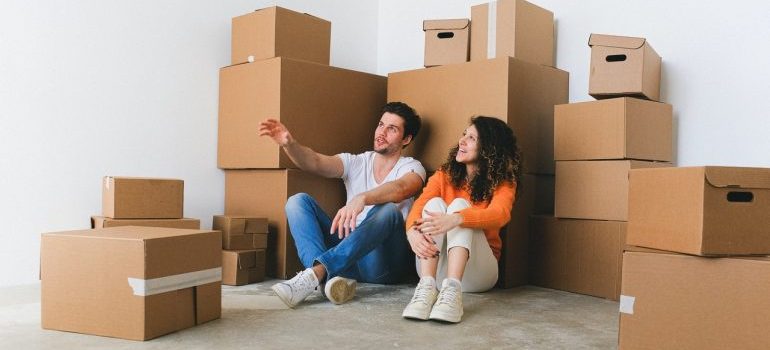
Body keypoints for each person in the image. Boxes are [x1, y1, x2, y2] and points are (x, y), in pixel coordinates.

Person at [259, 102, 426, 308]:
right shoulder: (358, 161)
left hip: (382, 264)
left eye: (392, 129)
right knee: (297, 202)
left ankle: (317, 273)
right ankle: (325, 279)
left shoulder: (412, 167)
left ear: (406, 139)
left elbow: (401, 188)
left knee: (389, 210)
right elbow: (315, 162)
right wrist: (289, 144)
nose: (381, 132)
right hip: (346, 257)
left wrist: (362, 198)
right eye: (380, 125)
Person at [401, 116, 521, 323]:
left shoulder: (504, 182)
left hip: (477, 275)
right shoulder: (444, 175)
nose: (462, 141)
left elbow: (500, 214)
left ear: (488, 148)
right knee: (432, 205)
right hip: (435, 271)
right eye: (464, 134)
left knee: (459, 208)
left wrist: (457, 219)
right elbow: (419, 207)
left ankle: (452, 294)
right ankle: (426, 289)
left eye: (471, 138)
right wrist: (411, 231)